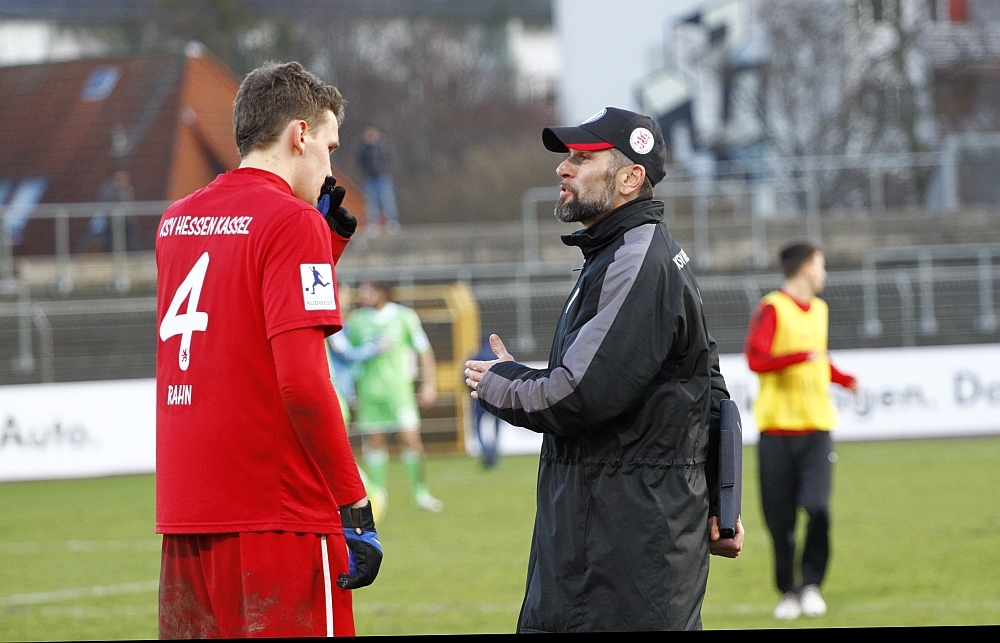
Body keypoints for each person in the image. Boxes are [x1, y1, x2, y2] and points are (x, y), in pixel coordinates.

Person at [464, 107, 744, 632]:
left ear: (630, 178)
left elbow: (577, 393)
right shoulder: (622, 252)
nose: (562, 169)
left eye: (581, 158)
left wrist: (500, 383)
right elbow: (710, 387)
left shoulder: (636, 259)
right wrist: (722, 505)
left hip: (622, 551)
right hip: (616, 539)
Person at [155, 61, 381, 639]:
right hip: (279, 517)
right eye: (329, 145)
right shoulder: (291, 221)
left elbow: (237, 321)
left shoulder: (176, 221)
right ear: (299, 135)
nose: (332, 164)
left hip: (189, 519)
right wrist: (352, 502)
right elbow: (301, 382)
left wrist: (323, 248)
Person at [745, 241, 858, 621]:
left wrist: (842, 379)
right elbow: (756, 359)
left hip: (816, 430)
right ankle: (788, 592)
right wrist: (800, 357)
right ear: (807, 268)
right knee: (780, 522)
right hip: (776, 431)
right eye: (821, 266)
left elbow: (819, 360)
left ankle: (811, 585)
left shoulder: (821, 310)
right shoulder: (772, 308)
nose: (824, 274)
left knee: (819, 508)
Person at [348, 281, 443, 512]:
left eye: (367, 291)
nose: (362, 295)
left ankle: (421, 493)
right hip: (370, 393)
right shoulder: (357, 321)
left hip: (399, 392)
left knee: (411, 440)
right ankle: (378, 496)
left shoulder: (404, 317)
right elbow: (345, 355)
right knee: (374, 443)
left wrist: (429, 384)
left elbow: (424, 351)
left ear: (382, 292)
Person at [355, 126, 400, 232]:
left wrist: (385, 169)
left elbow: (390, 158)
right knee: (371, 202)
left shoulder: (383, 145)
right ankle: (372, 223)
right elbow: (360, 160)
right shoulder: (364, 148)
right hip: (369, 177)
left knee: (387, 200)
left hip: (383, 176)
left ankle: (392, 222)